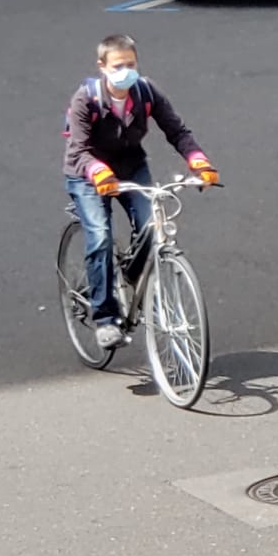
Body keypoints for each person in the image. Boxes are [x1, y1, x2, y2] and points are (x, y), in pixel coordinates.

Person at [63, 34, 219, 348]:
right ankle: (105, 319)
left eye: (130, 64)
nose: (126, 71)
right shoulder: (86, 99)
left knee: (152, 226)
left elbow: (176, 130)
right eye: (118, 65)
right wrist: (98, 171)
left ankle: (135, 285)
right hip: (88, 173)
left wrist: (198, 161)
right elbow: (78, 149)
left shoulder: (146, 91)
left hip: (131, 167)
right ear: (102, 67)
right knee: (100, 237)